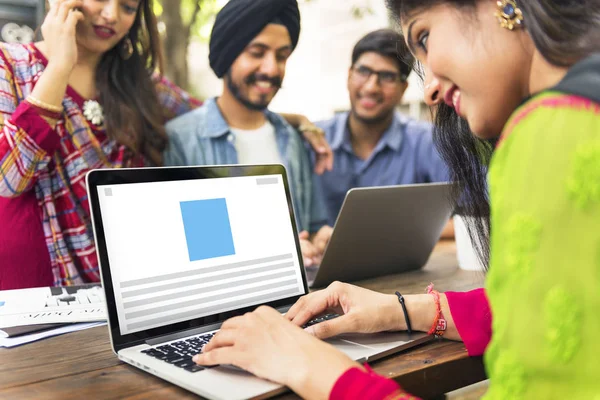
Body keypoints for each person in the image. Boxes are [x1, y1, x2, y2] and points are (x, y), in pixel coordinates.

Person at [191, 1, 600, 399]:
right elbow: (541, 312)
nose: (431, 90)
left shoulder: (552, 132)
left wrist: (310, 365)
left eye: (424, 36)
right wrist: (402, 310)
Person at [0, 0, 203, 290]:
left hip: (123, 292)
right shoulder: (8, 65)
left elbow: (212, 118)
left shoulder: (141, 85)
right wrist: (60, 65)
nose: (111, 15)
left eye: (128, 8)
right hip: (28, 294)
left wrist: (290, 122)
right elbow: (8, 176)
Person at [164, 0, 329, 265]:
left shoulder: (292, 137)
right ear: (228, 55)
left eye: (281, 56)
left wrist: (323, 237)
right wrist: (281, 251)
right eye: (257, 52)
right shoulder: (182, 140)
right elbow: (196, 248)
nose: (271, 68)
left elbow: (314, 222)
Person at [315, 29, 449, 226]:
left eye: (387, 76)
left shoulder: (426, 141)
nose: (371, 87)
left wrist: (392, 231)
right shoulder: (313, 139)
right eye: (363, 71)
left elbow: (475, 211)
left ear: (403, 89)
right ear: (349, 75)